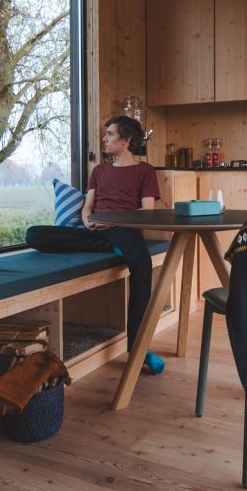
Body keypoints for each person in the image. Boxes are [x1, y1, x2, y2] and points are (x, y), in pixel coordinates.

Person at [25, 116, 165, 374]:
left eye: (110, 134)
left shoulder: (145, 170)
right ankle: (107, 248)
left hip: (124, 229)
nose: (105, 138)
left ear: (126, 141)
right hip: (97, 232)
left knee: (142, 267)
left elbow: (146, 211)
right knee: (34, 235)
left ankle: (138, 347)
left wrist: (111, 220)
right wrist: (88, 219)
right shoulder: (99, 171)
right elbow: (88, 206)